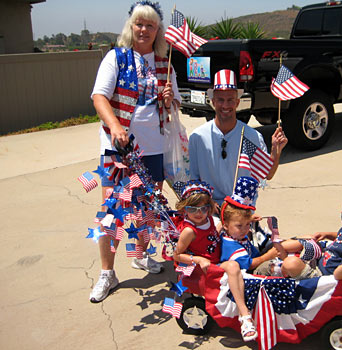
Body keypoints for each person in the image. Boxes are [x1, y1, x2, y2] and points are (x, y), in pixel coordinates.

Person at [89, 1, 181, 303]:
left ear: (158, 31)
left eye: (150, 25)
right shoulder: (116, 58)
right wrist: (115, 126)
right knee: (111, 214)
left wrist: (168, 100)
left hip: (152, 148)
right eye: (139, 24)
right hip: (119, 148)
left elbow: (173, 108)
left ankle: (140, 256)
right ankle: (107, 272)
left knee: (146, 211)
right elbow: (99, 97)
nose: (144, 29)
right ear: (131, 26)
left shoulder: (164, 65)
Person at [188, 69, 288, 209]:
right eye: (220, 100)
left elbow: (267, 174)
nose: (225, 105)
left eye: (230, 100)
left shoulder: (252, 136)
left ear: (237, 102)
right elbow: (194, 180)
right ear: (213, 102)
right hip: (210, 210)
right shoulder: (197, 137)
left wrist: (275, 152)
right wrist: (210, 203)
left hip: (241, 210)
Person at [173, 179, 258, 342]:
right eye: (193, 209)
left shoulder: (209, 219)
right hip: (205, 266)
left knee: (242, 248)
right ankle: (245, 316)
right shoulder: (189, 231)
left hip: (217, 258)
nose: (199, 213)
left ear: (209, 207)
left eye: (204, 208)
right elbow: (177, 255)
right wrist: (197, 259)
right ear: (185, 209)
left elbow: (215, 230)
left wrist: (246, 221)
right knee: (233, 266)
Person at [279, 176, 342, 280]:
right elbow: (340, 236)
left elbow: (338, 276)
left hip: (321, 279)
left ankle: (280, 270)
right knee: (306, 239)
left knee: (291, 263)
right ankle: (271, 253)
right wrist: (327, 234)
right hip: (320, 260)